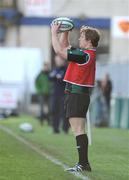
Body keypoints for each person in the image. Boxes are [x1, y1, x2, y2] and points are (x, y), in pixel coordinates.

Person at [51, 22, 100, 172]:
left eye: (82, 37)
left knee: (78, 129)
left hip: (77, 94)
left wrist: (53, 33)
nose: (79, 39)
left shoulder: (84, 55)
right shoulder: (84, 54)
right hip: (77, 95)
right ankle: (83, 163)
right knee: (78, 129)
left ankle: (84, 164)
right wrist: (65, 32)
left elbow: (59, 51)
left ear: (89, 41)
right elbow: (65, 48)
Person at [49, 55, 69, 133]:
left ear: (63, 61)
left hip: (64, 94)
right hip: (55, 94)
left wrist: (57, 77)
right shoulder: (55, 69)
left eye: (59, 60)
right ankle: (55, 128)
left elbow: (63, 79)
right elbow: (50, 77)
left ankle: (65, 128)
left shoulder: (66, 69)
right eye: (56, 60)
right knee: (54, 111)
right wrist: (56, 77)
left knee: (64, 112)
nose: (57, 62)